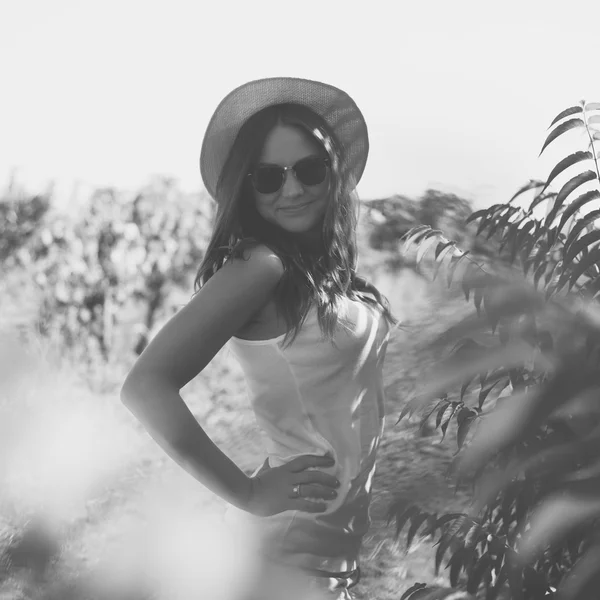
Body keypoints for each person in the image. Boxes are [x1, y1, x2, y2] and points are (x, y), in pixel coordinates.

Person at [120, 77, 399, 599]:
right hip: (283, 557)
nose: (291, 189)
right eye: (268, 177)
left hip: (327, 553)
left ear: (334, 171)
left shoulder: (319, 271)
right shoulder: (261, 266)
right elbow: (145, 386)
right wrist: (247, 492)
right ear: (247, 188)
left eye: (309, 169)